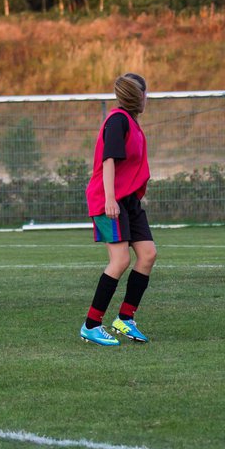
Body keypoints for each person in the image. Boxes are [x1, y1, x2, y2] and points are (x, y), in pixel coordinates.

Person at [81, 73, 156, 346]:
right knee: (120, 260)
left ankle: (125, 319)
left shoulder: (132, 123)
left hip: (128, 201)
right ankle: (91, 324)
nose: (147, 99)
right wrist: (111, 198)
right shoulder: (118, 120)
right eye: (146, 94)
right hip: (107, 199)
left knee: (147, 254)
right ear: (139, 95)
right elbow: (109, 161)